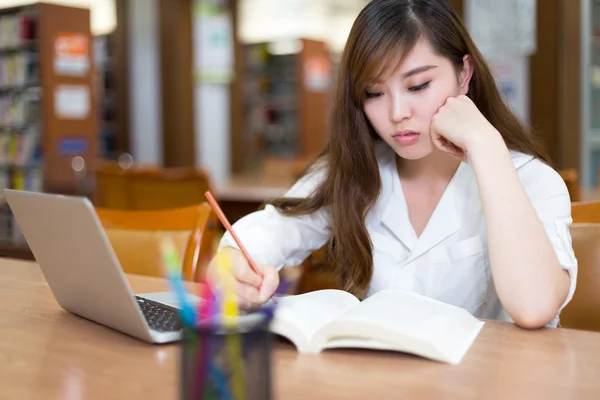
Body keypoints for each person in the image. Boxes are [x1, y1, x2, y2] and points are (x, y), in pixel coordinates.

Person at [207, 0, 577, 329]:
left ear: (464, 74)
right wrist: (232, 265)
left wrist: (486, 145)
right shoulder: (355, 170)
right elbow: (270, 232)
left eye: (418, 86)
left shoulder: (532, 179)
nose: (398, 113)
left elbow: (535, 307)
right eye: (373, 93)